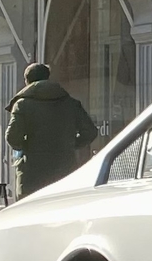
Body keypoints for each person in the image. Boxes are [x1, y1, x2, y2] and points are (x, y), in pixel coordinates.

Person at [6, 61, 100, 197]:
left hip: (32, 171)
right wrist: (71, 144)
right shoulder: (70, 103)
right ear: (48, 77)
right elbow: (90, 132)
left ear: (27, 81)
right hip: (65, 169)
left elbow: (12, 137)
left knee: (32, 213)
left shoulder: (22, 104)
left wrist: (28, 146)